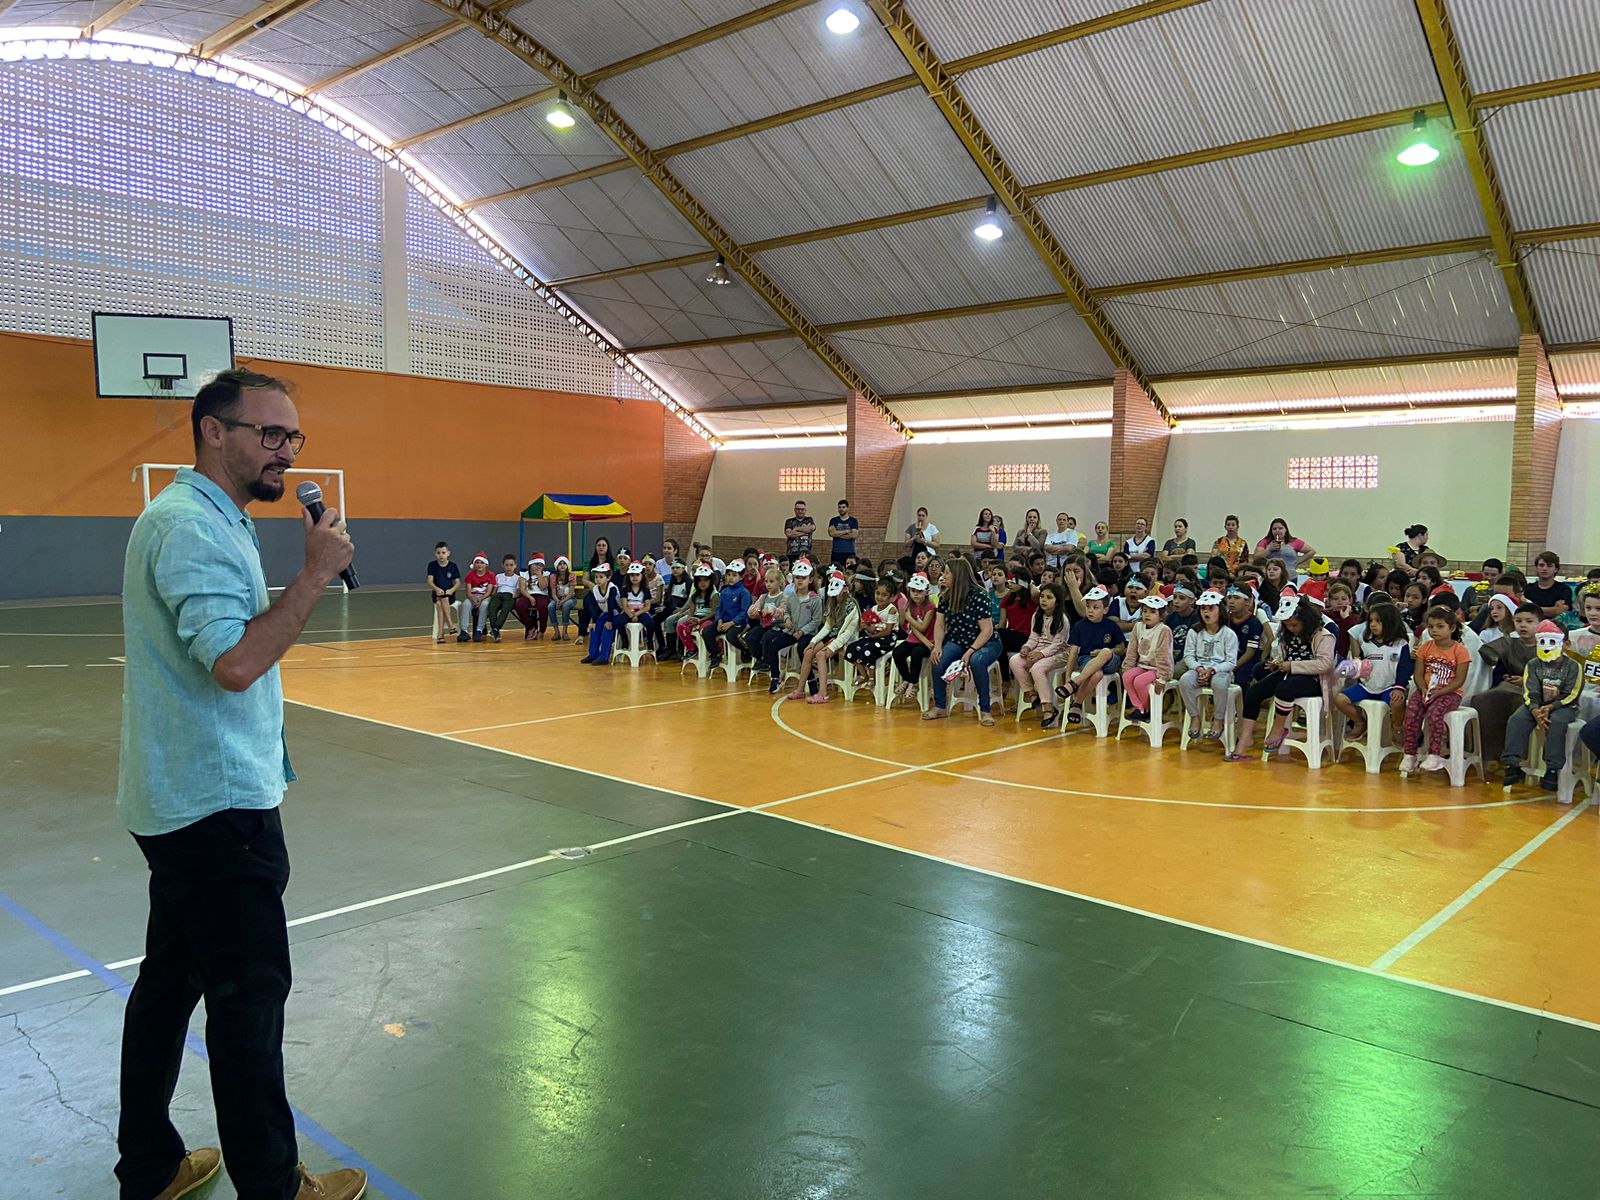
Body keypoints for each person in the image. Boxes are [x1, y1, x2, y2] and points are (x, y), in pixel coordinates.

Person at [116, 369, 364, 1200]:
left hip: (181, 798)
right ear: (213, 432)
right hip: (216, 809)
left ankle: (150, 1166)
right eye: (269, 434)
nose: (285, 453)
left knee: (170, 985)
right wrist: (316, 575)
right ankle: (274, 1187)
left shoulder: (211, 518)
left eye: (293, 438)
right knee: (249, 1003)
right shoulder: (191, 527)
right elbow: (235, 662)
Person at [1225, 598, 1334, 762]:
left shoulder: (1323, 635)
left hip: (1314, 680)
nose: (1291, 628)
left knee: (1284, 688)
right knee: (1255, 691)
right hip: (1289, 673)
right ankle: (1245, 738)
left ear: (1306, 621)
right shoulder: (1287, 635)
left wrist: (1291, 666)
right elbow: (1284, 655)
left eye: (1295, 625)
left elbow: (1324, 664)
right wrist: (1277, 664)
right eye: (1288, 625)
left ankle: (1278, 728)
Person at [1503, 620, 1585, 791]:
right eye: (1542, 641)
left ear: (1565, 644)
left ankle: (1553, 769)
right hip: (1535, 706)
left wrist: (1551, 708)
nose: (1547, 647)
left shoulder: (1573, 667)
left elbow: (1572, 693)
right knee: (1516, 720)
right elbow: (1529, 689)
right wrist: (1534, 708)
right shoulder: (1533, 664)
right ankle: (1512, 765)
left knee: (1557, 723)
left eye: (1552, 641)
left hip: (1563, 707)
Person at [923, 557, 1002, 725]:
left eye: (946, 573)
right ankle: (940, 706)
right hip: (958, 640)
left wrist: (970, 651)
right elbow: (939, 624)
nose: (943, 576)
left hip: (985, 642)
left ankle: (985, 710)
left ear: (957, 575)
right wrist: (937, 646)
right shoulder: (945, 597)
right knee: (938, 660)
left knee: (977, 661)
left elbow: (986, 630)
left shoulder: (979, 596)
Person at [1398, 606, 1471, 775]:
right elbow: (1418, 673)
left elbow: (1460, 680)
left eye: (1440, 626)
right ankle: (1410, 753)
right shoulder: (1425, 648)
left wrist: (1440, 692)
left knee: (1435, 713)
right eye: (1431, 626)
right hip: (1426, 690)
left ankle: (1435, 754)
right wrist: (1423, 689)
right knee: (1412, 711)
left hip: (1450, 693)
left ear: (1452, 628)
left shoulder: (1460, 651)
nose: (1434, 630)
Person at [1331, 602, 1412, 746]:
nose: (1373, 625)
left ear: (1390, 622)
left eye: (1378, 621)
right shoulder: (1366, 644)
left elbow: (1405, 668)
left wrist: (1400, 687)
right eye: (1371, 621)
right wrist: (1353, 668)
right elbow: (1361, 664)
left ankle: (1398, 728)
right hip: (1366, 687)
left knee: (1398, 703)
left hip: (1390, 687)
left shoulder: (1401, 644)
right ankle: (1359, 723)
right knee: (1340, 699)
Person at [1473, 600, 1540, 762]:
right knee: (1482, 700)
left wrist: (1525, 680)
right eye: (1519, 621)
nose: (1523, 625)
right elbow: (1495, 662)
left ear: (1540, 624)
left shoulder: (1548, 646)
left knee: (1519, 705)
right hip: (1508, 687)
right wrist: (1506, 677)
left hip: (1536, 691)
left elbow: (1552, 674)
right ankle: (1488, 755)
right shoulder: (1509, 642)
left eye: (1529, 622)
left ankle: (1518, 757)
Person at [1058, 585, 1126, 727]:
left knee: (1106, 652)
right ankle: (1076, 705)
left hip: (1110, 662)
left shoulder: (1111, 625)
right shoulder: (1079, 626)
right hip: (1087, 660)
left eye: (1096, 607)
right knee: (1096, 675)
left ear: (1105, 610)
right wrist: (1069, 673)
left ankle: (1074, 684)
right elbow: (1074, 651)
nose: (1090, 610)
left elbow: (1121, 649)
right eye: (1088, 607)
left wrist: (1104, 653)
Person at [1177, 590, 1239, 742]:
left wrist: (1213, 670)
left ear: (1220, 611)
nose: (1207, 612)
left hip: (1220, 670)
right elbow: (1188, 656)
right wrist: (1198, 669)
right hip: (1199, 668)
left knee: (1218, 683)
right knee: (1184, 680)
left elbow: (1231, 662)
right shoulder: (1194, 631)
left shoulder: (1228, 634)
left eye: (1211, 608)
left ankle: (1218, 720)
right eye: (1203, 608)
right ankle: (1195, 717)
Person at [1009, 582, 1070, 728]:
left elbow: (1057, 645)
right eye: (1042, 596)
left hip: (1059, 654)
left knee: (1037, 668)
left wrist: (1040, 655)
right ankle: (1032, 694)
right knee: (1015, 661)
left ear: (1057, 601)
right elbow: (1034, 637)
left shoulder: (1063, 620)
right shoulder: (1037, 615)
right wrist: (1026, 648)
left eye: (1049, 597)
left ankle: (1048, 708)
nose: (1043, 600)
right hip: (1039, 650)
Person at [790, 573, 858, 702]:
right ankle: (800, 690)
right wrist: (813, 641)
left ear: (845, 589)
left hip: (844, 639)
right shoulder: (832, 603)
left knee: (821, 655)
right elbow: (827, 627)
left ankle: (822, 693)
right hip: (833, 635)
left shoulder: (851, 606)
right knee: (808, 652)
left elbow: (847, 633)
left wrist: (832, 646)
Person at [762, 560, 823, 694]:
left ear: (810, 579)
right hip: (791, 631)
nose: (800, 580)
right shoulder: (791, 596)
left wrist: (802, 631)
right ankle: (775, 677)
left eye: (803, 578)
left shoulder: (815, 599)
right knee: (773, 644)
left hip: (807, 634)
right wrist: (787, 619)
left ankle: (811, 680)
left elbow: (816, 620)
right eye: (797, 577)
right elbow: (787, 611)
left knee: (803, 648)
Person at [1121, 594, 1175, 722]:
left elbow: (1164, 656)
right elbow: (1132, 650)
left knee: (1139, 682)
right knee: (1127, 676)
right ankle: (1139, 708)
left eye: (1152, 612)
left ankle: (1147, 709)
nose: (1147, 615)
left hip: (1158, 669)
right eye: (1145, 611)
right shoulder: (1138, 627)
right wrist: (1127, 666)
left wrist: (1162, 678)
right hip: (1143, 666)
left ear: (1161, 616)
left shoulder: (1164, 630)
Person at [892, 573, 937, 703]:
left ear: (926, 592)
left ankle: (914, 683)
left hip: (929, 640)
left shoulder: (930, 607)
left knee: (917, 653)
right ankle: (907, 679)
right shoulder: (909, 606)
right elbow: (914, 629)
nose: (916, 594)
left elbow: (923, 627)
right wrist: (909, 620)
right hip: (915, 639)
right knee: (898, 653)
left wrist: (909, 618)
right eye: (913, 591)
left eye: (919, 591)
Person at [845, 578, 902, 674]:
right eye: (877, 593)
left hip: (888, 638)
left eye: (884, 595)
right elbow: (871, 627)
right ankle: (863, 675)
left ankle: (872, 677)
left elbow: (888, 631)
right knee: (852, 647)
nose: (879, 597)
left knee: (868, 649)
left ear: (891, 597)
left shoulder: (891, 609)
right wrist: (866, 627)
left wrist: (872, 635)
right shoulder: (874, 608)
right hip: (874, 636)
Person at [581, 563, 624, 665]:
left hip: (616, 613)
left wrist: (609, 621)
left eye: (601, 577)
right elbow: (594, 606)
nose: (598, 579)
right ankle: (593, 654)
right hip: (605, 613)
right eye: (596, 577)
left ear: (608, 578)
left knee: (607, 629)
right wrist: (595, 621)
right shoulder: (595, 589)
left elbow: (611, 605)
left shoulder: (612, 588)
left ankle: (604, 656)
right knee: (595, 628)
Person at [710, 561, 749, 669]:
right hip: (724, 622)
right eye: (729, 575)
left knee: (731, 636)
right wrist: (719, 620)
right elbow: (719, 609)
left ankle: (746, 651)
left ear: (741, 577)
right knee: (707, 632)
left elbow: (744, 612)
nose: (731, 578)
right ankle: (716, 654)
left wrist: (731, 623)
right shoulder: (724, 592)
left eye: (734, 575)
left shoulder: (744, 592)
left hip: (739, 623)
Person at [426, 541, 460, 643]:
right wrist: (436, 589)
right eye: (439, 553)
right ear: (435, 554)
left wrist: (451, 590)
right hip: (437, 593)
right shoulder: (432, 565)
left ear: (448, 553)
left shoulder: (453, 566)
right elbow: (430, 581)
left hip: (450, 594)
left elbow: (458, 583)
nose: (441, 555)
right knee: (440, 601)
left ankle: (441, 634)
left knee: (443, 599)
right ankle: (450, 625)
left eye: (443, 553)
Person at [1525, 550, 1574, 619]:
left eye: (1549, 566)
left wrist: (1531, 608)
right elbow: (1522, 610)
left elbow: (1561, 611)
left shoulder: (1564, 589)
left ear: (1556, 569)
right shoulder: (1528, 589)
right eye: (1541, 565)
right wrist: (1552, 609)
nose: (1545, 568)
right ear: (1536, 568)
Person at [458, 552, 495, 643]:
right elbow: (468, 592)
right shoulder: (470, 575)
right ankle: (464, 631)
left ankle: (479, 630)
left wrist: (481, 599)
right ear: (474, 564)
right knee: (466, 604)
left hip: (484, 597)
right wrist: (473, 599)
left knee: (484, 605)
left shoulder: (490, 575)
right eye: (477, 562)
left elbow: (489, 592)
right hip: (473, 596)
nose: (479, 565)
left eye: (481, 563)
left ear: (486, 564)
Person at [485, 554, 521, 642]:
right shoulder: (498, 576)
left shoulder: (518, 578)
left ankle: (496, 629)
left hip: (509, 596)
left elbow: (518, 592)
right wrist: (492, 596)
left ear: (515, 565)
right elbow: (495, 589)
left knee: (505, 609)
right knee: (492, 608)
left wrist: (513, 597)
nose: (509, 567)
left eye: (511, 565)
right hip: (499, 595)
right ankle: (495, 631)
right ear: (503, 565)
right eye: (507, 565)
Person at [515, 554, 549, 640]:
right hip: (528, 594)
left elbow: (543, 587)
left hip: (542, 595)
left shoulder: (545, 574)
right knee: (520, 605)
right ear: (531, 564)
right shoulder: (524, 574)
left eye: (541, 565)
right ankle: (530, 628)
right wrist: (530, 597)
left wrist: (539, 575)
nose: (538, 567)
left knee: (543, 606)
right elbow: (522, 589)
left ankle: (542, 630)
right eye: (536, 564)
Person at [549, 556, 578, 642]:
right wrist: (558, 601)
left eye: (564, 563)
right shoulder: (553, 577)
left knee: (566, 605)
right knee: (550, 606)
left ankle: (565, 631)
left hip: (570, 599)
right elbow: (553, 593)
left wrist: (562, 602)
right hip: (557, 599)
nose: (562, 565)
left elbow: (570, 593)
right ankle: (556, 631)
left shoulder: (572, 576)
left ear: (567, 565)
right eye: (560, 564)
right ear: (556, 566)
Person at [827, 499, 858, 566]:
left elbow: (854, 535)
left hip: (849, 552)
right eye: (839, 507)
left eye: (843, 507)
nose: (841, 509)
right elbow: (831, 533)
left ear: (847, 508)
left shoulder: (853, 521)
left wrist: (837, 534)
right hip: (836, 552)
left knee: (850, 571)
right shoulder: (833, 520)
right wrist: (846, 531)